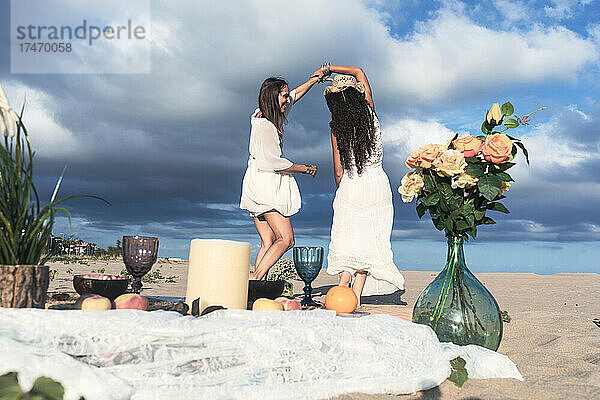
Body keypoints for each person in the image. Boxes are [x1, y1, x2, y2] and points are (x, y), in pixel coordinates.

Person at [323, 65, 405, 305]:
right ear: (359, 94)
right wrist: (329, 68)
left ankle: (341, 289)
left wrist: (343, 189)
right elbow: (359, 71)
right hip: (376, 183)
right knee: (370, 238)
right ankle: (355, 298)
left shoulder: (336, 128)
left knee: (347, 237)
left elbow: (338, 170)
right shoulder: (370, 114)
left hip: (351, 183)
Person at [240, 68, 328, 279]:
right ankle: (255, 279)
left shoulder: (269, 117)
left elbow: (295, 95)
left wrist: (314, 80)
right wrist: (305, 168)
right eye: (283, 95)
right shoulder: (265, 126)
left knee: (268, 242)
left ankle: (254, 288)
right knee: (286, 239)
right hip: (266, 186)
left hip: (256, 183)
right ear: (273, 97)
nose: (287, 99)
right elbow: (273, 162)